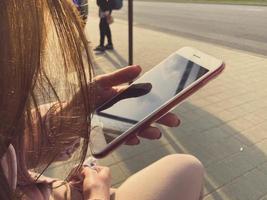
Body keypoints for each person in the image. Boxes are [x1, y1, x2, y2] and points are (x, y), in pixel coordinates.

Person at [0, 1, 204, 200]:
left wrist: (68, 116)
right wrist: (97, 194)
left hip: (37, 187)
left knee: (185, 169)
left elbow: (9, 152)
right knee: (186, 169)